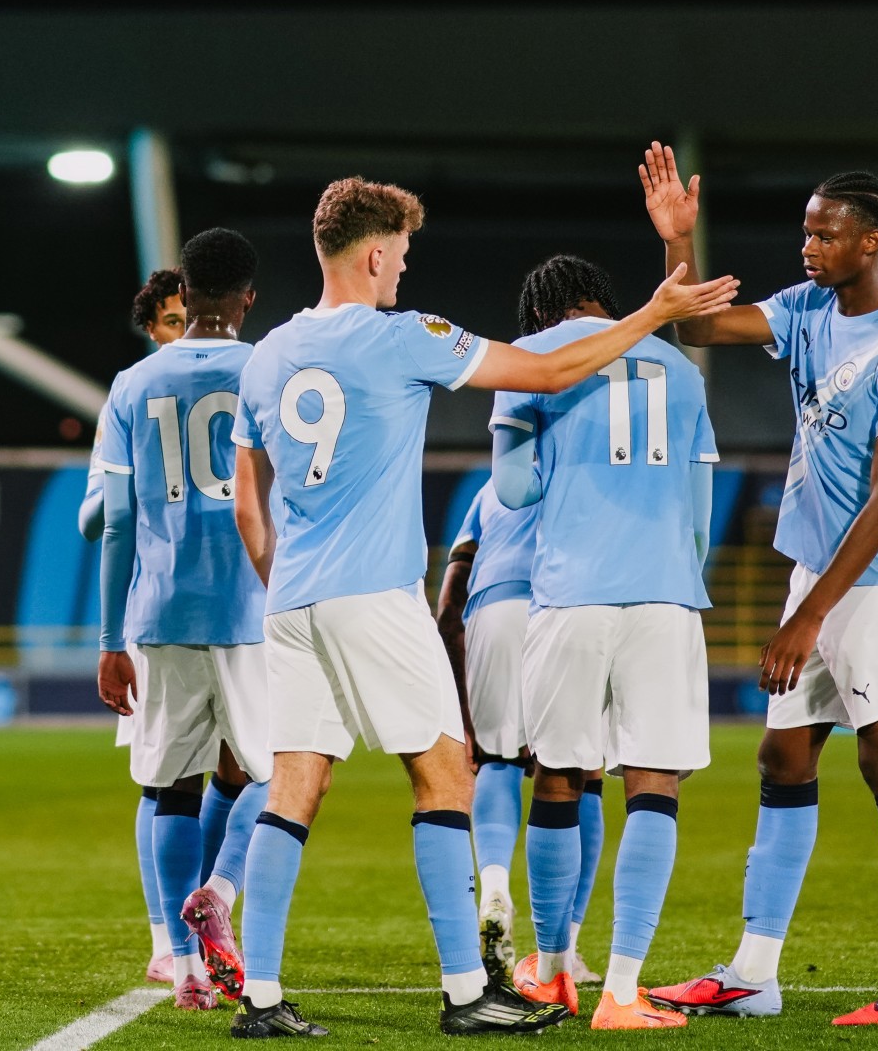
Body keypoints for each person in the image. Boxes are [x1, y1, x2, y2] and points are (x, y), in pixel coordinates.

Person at [229, 178, 738, 1037]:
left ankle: (263, 996)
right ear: (376, 252)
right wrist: (651, 316)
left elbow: (249, 500)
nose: (405, 268)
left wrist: (285, 574)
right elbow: (545, 368)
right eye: (404, 253)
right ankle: (468, 991)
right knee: (447, 775)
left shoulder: (268, 354)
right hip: (375, 593)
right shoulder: (404, 336)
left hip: (292, 600)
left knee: (294, 786)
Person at [637, 144, 878, 1026]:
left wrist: (809, 616)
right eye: (805, 231)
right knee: (783, 755)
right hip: (817, 570)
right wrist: (677, 244)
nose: (808, 246)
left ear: (871, 241)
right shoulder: (807, 307)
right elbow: (696, 328)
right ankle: (754, 972)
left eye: (826, 234)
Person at [492, 255, 718, 1030]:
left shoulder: (536, 361)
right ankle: (621, 991)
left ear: (541, 315)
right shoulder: (682, 371)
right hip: (664, 594)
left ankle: (553, 973)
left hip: (570, 594)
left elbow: (514, 489)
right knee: (654, 785)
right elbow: (699, 515)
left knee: (558, 778)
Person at [94, 230, 274, 1010]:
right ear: (247, 298)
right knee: (276, 773)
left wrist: (110, 641)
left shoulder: (133, 384)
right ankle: (223, 894)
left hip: (161, 608)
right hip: (257, 605)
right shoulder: (269, 371)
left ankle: (184, 964)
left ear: (186, 293)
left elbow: (116, 521)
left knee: (170, 786)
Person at [436, 480, 607, 988]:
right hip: (565, 602)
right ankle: (566, 949)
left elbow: (448, 607)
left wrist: (466, 720)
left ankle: (492, 887)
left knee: (496, 761)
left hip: (493, 609)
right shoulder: (581, 469)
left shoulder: (492, 489)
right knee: (582, 769)